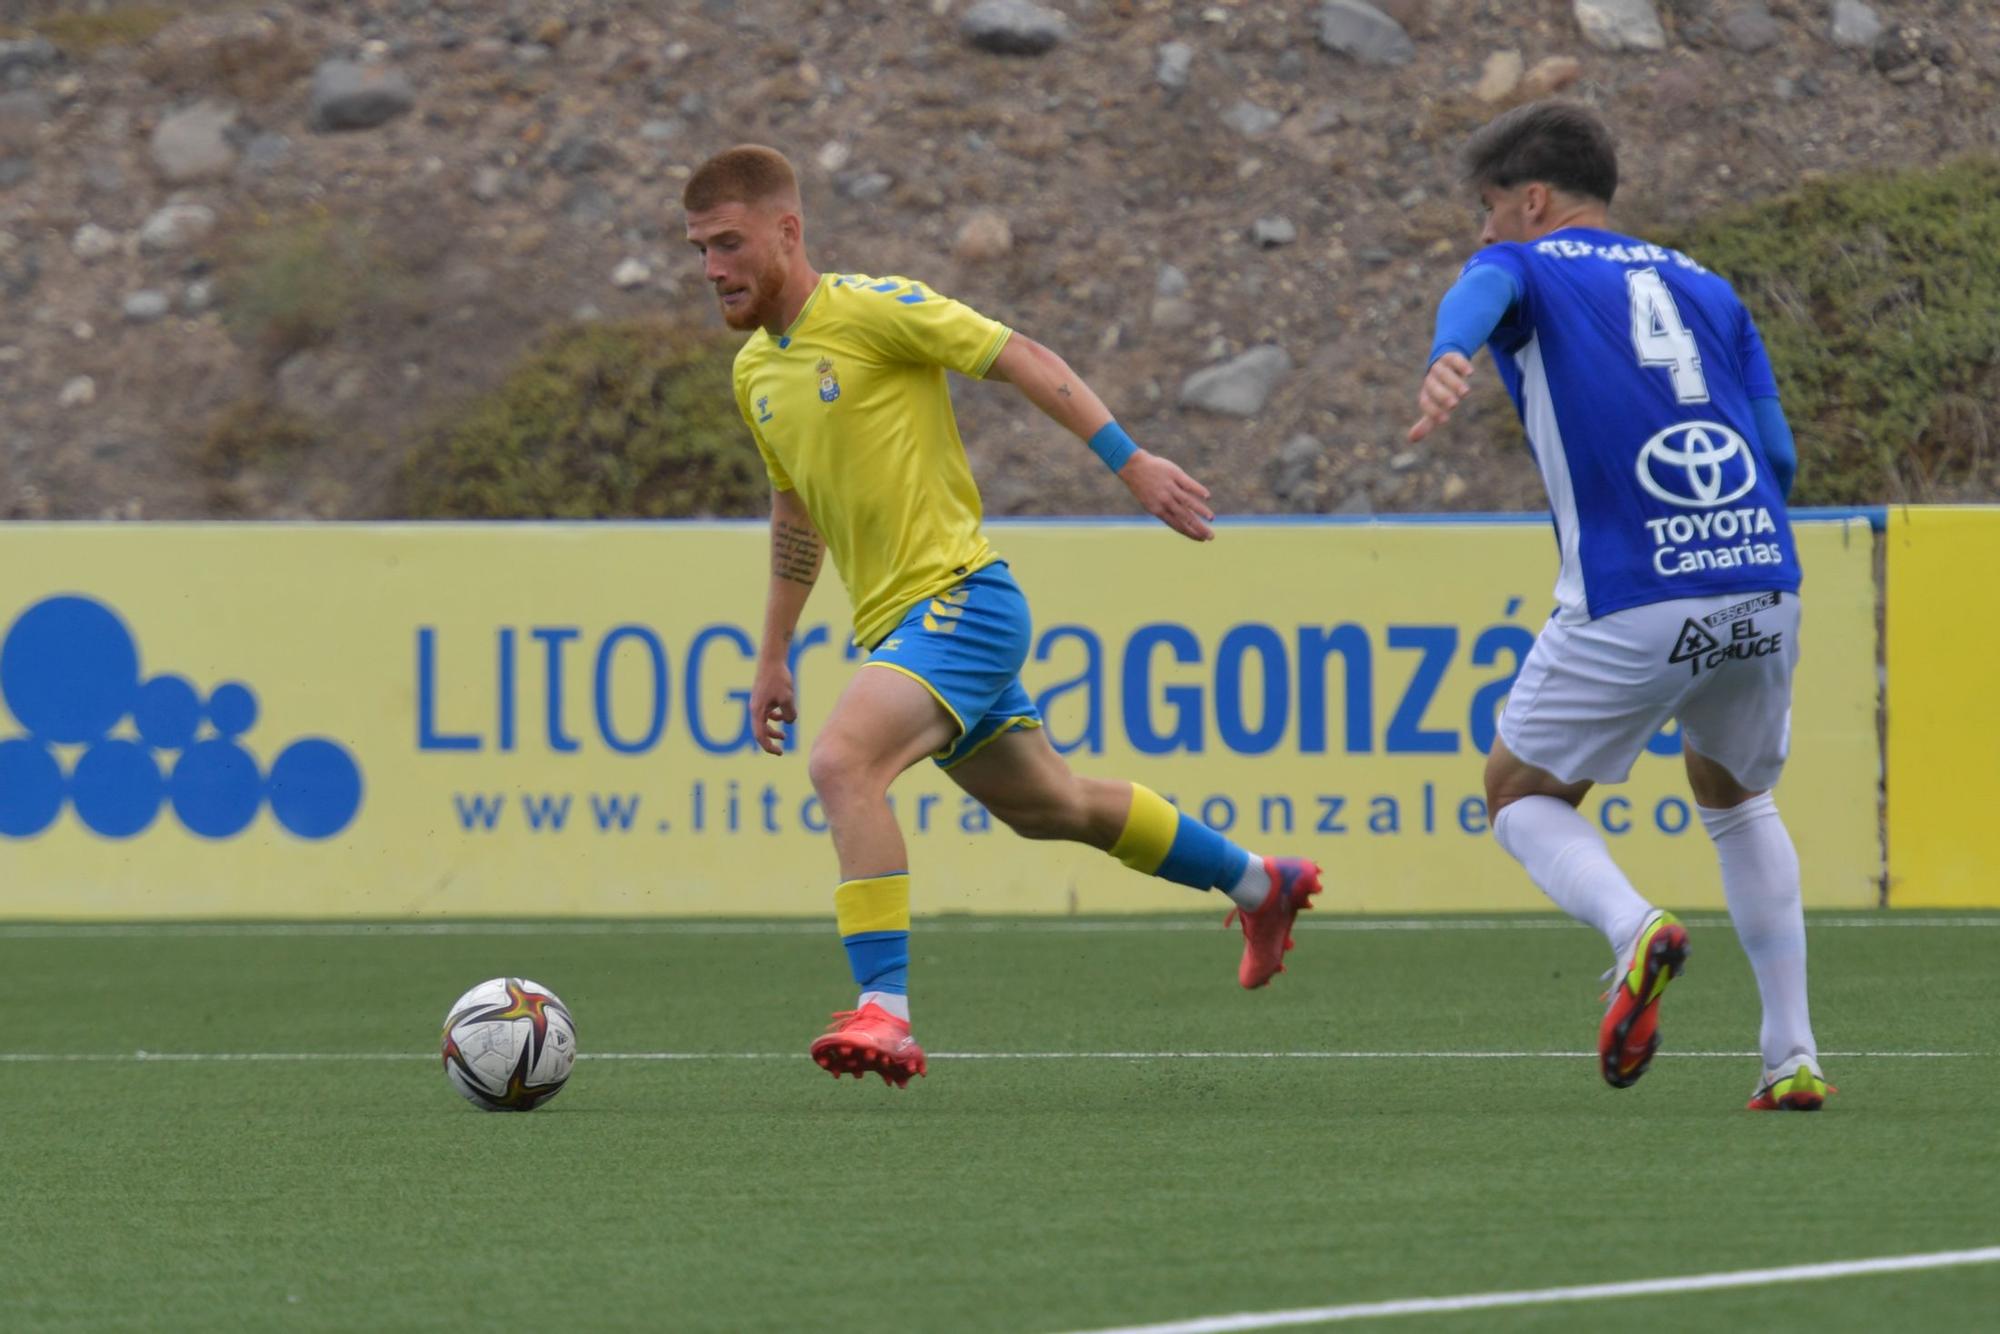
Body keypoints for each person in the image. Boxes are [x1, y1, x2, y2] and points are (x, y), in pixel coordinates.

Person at [682, 145, 1322, 1088]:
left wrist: (1131, 461)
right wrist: (772, 654)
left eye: (729, 244)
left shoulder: (872, 309)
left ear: (788, 231)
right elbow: (795, 513)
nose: (712, 269)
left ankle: (886, 1013)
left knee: (841, 762)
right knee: (1049, 806)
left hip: (964, 602)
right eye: (698, 250)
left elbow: (1019, 354)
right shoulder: (754, 374)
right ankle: (1261, 883)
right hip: (907, 628)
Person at [1407, 103, 1830, 1111]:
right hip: (1761, 573)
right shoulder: (1708, 285)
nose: (1481, 229)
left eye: (1487, 206)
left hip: (1635, 586)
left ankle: (1633, 927)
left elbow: (1485, 283)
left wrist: (1449, 351)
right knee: (1733, 796)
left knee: (1517, 791)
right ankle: (1790, 1054)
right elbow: (1777, 460)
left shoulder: (1530, 265)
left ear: (1534, 199)